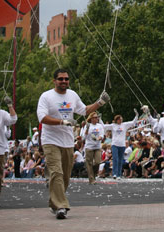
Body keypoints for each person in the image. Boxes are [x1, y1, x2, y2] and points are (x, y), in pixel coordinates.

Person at [37, 68, 110, 220]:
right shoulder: (46, 96)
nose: (64, 81)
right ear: (54, 81)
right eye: (60, 79)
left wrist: (100, 102)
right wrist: (62, 121)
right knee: (56, 172)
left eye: (66, 79)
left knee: (65, 176)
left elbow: (84, 110)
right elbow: (42, 118)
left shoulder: (72, 95)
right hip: (50, 140)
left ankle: (54, 202)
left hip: (67, 141)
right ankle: (61, 206)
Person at [104, 111, 138, 179]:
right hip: (114, 144)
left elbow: (133, 122)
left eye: (121, 119)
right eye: (119, 119)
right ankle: (114, 173)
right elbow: (104, 126)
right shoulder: (113, 125)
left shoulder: (124, 125)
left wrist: (136, 115)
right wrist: (99, 119)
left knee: (120, 160)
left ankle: (119, 174)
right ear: (117, 120)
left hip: (122, 145)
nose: (121, 120)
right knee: (115, 159)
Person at [81, 112, 104, 184]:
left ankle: (93, 175)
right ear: (91, 119)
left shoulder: (99, 126)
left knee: (97, 162)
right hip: (89, 146)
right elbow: (83, 138)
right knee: (89, 163)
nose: (96, 118)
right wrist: (87, 131)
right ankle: (91, 179)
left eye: (97, 117)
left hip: (97, 146)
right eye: (95, 117)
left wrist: (99, 138)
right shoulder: (87, 126)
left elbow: (102, 134)